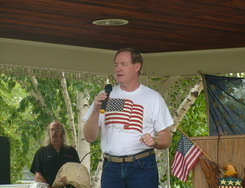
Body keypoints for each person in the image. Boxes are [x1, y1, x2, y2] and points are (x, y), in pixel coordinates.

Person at [83, 48, 174, 188]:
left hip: (142, 167)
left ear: (137, 67)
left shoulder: (153, 97)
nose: (118, 69)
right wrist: (95, 110)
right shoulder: (105, 95)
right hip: (110, 167)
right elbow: (89, 137)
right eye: (116, 65)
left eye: (123, 64)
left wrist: (155, 141)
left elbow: (166, 138)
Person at [30, 121, 80, 187]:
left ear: (62, 132)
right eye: (52, 130)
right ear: (49, 133)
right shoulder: (41, 152)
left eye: (57, 129)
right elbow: (38, 176)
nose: (54, 132)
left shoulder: (71, 151)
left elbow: (77, 172)